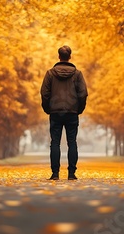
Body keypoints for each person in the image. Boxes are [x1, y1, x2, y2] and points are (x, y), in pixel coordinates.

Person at [40, 45, 88, 180]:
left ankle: (55, 173)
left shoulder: (50, 74)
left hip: (55, 112)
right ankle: (71, 174)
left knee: (55, 142)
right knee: (72, 142)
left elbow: (44, 93)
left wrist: (47, 108)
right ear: (70, 57)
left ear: (59, 56)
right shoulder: (77, 74)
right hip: (72, 112)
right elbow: (83, 93)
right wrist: (79, 109)